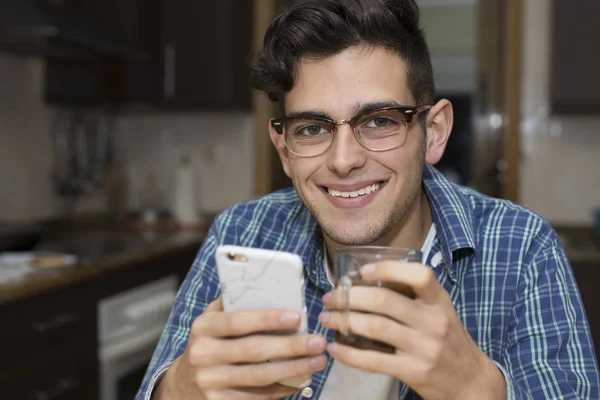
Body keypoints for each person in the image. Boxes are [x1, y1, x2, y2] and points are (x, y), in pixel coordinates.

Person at [136, 0, 600, 399]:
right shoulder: (240, 233)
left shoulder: (522, 248)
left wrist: (475, 388)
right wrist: (180, 389)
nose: (343, 160)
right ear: (284, 149)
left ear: (433, 133)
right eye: (313, 128)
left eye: (379, 121)